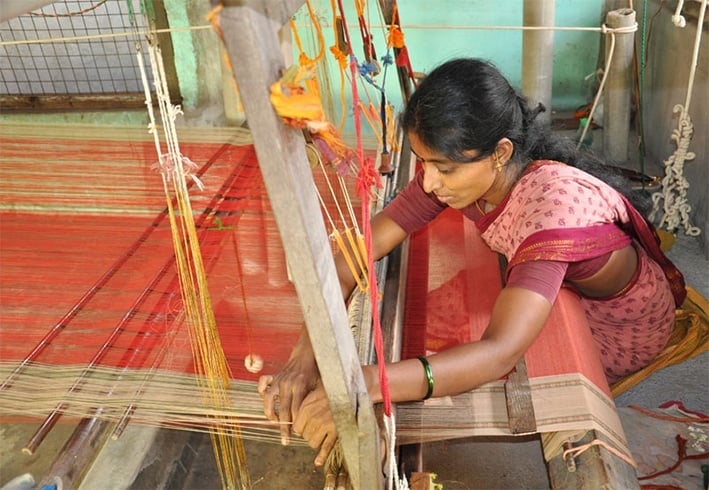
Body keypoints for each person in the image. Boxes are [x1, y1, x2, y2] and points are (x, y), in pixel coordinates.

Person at [257, 57, 687, 467]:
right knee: (441, 324)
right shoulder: (461, 171)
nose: (428, 181)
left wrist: (367, 385)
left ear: (500, 153)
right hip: (561, 284)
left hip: (619, 326)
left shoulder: (550, 214)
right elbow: (358, 252)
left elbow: (498, 352)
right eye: (423, 163)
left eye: (443, 169)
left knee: (469, 354)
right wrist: (305, 355)